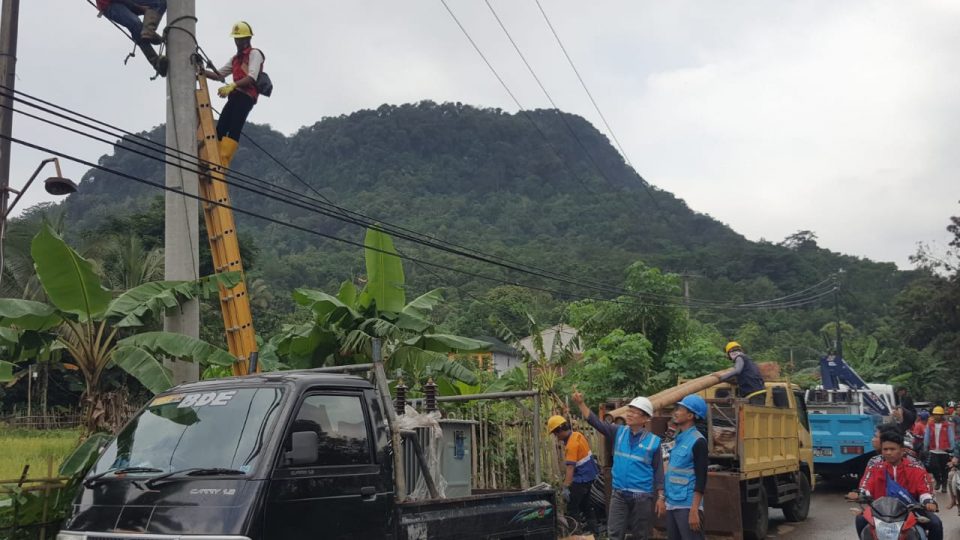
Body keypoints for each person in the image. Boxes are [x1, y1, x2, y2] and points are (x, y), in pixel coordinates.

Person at [573, 390, 663, 540]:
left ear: (645, 418)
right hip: (619, 494)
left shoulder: (653, 442)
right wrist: (581, 404)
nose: (629, 414)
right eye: (629, 410)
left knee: (641, 535)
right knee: (614, 533)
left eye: (635, 412)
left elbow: (659, 470)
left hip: (642, 496)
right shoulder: (618, 432)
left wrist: (661, 497)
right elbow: (596, 423)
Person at [848, 430, 942, 540]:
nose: (888, 452)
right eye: (885, 449)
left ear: (902, 451)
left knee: (936, 523)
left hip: (911, 511)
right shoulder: (874, 468)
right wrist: (859, 494)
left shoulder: (917, 469)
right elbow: (865, 486)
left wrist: (928, 501)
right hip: (880, 512)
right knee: (860, 519)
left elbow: (925, 491)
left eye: (892, 449)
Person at [204, 21, 265, 169]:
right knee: (221, 128)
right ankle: (214, 157)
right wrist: (200, 70)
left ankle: (223, 161)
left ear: (247, 39)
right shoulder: (235, 59)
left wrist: (233, 85)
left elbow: (251, 77)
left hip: (246, 97)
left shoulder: (254, 54)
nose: (237, 42)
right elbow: (219, 75)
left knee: (234, 127)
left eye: (240, 39)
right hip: (235, 95)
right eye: (236, 39)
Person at [662, 395, 709, 540]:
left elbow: (701, 479)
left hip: (688, 505)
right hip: (672, 502)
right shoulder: (677, 438)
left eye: (680, 409)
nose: (675, 412)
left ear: (690, 415)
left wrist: (695, 509)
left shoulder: (698, 441)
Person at [546, 414, 600, 536]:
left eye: (555, 433)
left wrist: (565, 486)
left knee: (572, 509)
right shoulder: (578, 435)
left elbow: (570, 468)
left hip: (580, 480)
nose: (556, 436)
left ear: (560, 430)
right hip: (590, 477)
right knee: (586, 506)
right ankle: (595, 533)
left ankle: (576, 535)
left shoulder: (571, 445)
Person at [95, 0, 167, 76]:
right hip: (110, 4)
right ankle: (156, 63)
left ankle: (148, 32)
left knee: (160, 3)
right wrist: (138, 7)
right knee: (135, 24)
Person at [924, 406, 956, 493]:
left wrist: (952, 449)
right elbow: (926, 436)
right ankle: (938, 480)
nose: (937, 416)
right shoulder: (930, 425)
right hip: (933, 450)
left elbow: (951, 437)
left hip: (944, 451)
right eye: (935, 414)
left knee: (944, 469)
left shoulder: (947, 425)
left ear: (942, 415)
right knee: (933, 467)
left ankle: (944, 485)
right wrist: (925, 446)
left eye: (939, 415)